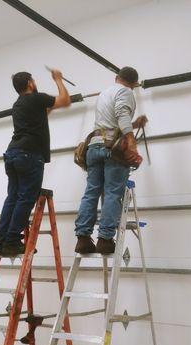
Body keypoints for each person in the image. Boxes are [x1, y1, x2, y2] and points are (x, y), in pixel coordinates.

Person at [0, 70, 71, 257]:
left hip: (13, 154)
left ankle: (1, 241)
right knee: (26, 198)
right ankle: (12, 241)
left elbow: (45, 112)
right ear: (30, 83)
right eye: (34, 80)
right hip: (30, 155)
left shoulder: (18, 104)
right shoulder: (36, 98)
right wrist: (58, 79)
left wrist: (47, 104)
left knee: (12, 197)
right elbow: (65, 100)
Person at [74, 66, 148, 254]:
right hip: (112, 151)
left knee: (91, 192)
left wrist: (134, 125)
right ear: (134, 83)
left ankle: (83, 238)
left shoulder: (104, 93)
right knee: (113, 193)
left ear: (117, 77)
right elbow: (121, 114)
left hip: (94, 147)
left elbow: (110, 122)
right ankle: (105, 240)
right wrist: (131, 140)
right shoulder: (126, 91)